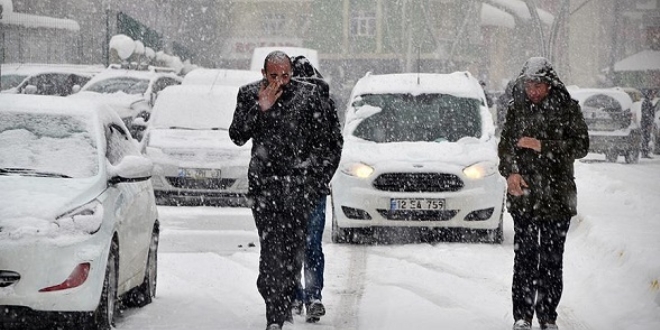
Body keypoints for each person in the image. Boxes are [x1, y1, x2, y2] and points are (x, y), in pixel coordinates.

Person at [229, 51, 342, 330]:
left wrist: (314, 177)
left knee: (294, 252)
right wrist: (260, 108)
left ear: (292, 73)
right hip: (265, 188)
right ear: (263, 74)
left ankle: (285, 306)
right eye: (274, 75)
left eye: (285, 75)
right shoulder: (249, 95)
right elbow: (237, 135)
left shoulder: (308, 96)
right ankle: (275, 314)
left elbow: (327, 142)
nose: (280, 81)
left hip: (299, 189)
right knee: (271, 252)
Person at [497, 57, 589, 330]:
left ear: (550, 85)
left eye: (538, 85)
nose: (533, 91)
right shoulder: (517, 108)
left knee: (551, 260)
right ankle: (522, 317)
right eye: (528, 85)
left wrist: (542, 145)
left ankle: (548, 316)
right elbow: (505, 148)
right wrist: (511, 172)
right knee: (524, 258)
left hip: (557, 197)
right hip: (524, 195)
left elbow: (581, 146)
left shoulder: (568, 109)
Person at [289, 55, 343, 323]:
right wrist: (322, 174)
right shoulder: (322, 102)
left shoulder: (319, 104)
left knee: (299, 243)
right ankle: (306, 296)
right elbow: (335, 145)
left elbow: (335, 145)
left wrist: (319, 174)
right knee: (306, 244)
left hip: (302, 187)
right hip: (307, 187)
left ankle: (306, 296)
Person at [640, 89, 656, 158]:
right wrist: (649, 123)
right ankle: (644, 152)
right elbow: (646, 114)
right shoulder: (647, 103)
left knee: (646, 137)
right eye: (651, 94)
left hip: (645, 122)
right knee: (646, 137)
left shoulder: (647, 102)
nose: (652, 95)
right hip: (646, 123)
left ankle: (645, 152)